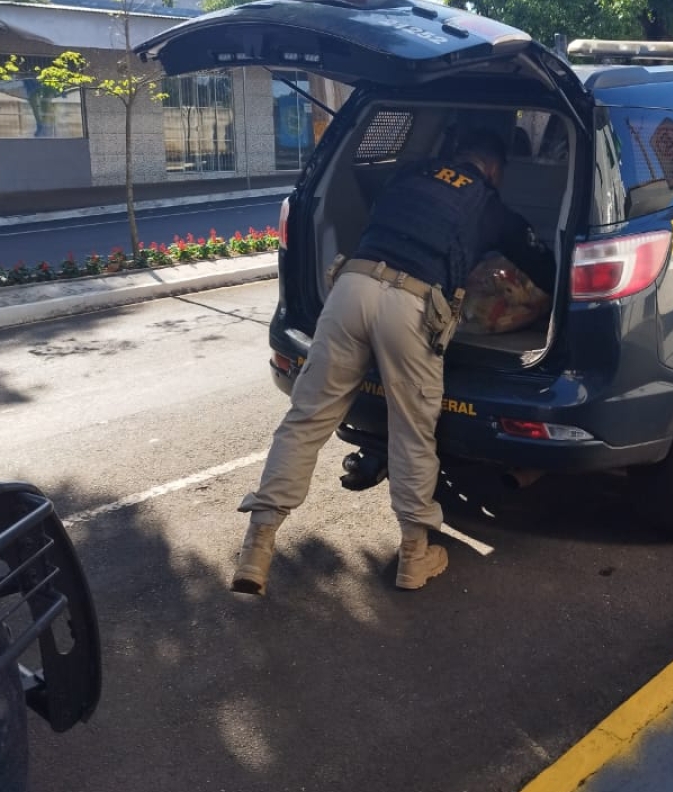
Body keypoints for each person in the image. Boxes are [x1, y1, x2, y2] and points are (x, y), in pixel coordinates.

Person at [231, 129, 557, 595]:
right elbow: (538, 262)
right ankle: (414, 555)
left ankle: (256, 547)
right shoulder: (489, 202)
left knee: (307, 417)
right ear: (495, 169)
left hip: (351, 286)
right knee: (411, 429)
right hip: (413, 304)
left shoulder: (406, 173)